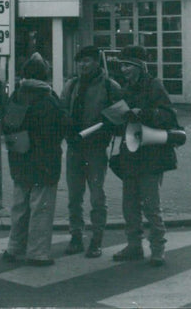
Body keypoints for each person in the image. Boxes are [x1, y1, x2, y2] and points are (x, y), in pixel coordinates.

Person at [1, 53, 70, 266]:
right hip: (45, 161)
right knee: (41, 207)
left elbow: (7, 123)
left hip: (20, 159)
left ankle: (14, 248)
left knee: (20, 206)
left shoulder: (17, 95)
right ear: (44, 75)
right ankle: (37, 252)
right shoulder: (48, 98)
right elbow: (62, 126)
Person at [112, 45, 175, 267]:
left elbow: (169, 116)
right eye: (122, 65)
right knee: (129, 205)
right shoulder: (125, 89)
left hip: (150, 155)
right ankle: (134, 245)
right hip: (131, 154)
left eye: (127, 65)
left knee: (150, 205)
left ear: (139, 66)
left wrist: (145, 114)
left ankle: (158, 248)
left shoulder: (154, 86)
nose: (124, 69)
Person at [61, 45, 122, 258]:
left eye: (86, 61)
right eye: (79, 61)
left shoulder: (109, 86)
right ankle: (76, 236)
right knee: (74, 196)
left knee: (97, 196)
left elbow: (120, 116)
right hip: (74, 147)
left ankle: (96, 239)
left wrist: (106, 126)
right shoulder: (71, 85)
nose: (82, 65)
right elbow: (62, 110)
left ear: (97, 62)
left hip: (96, 148)